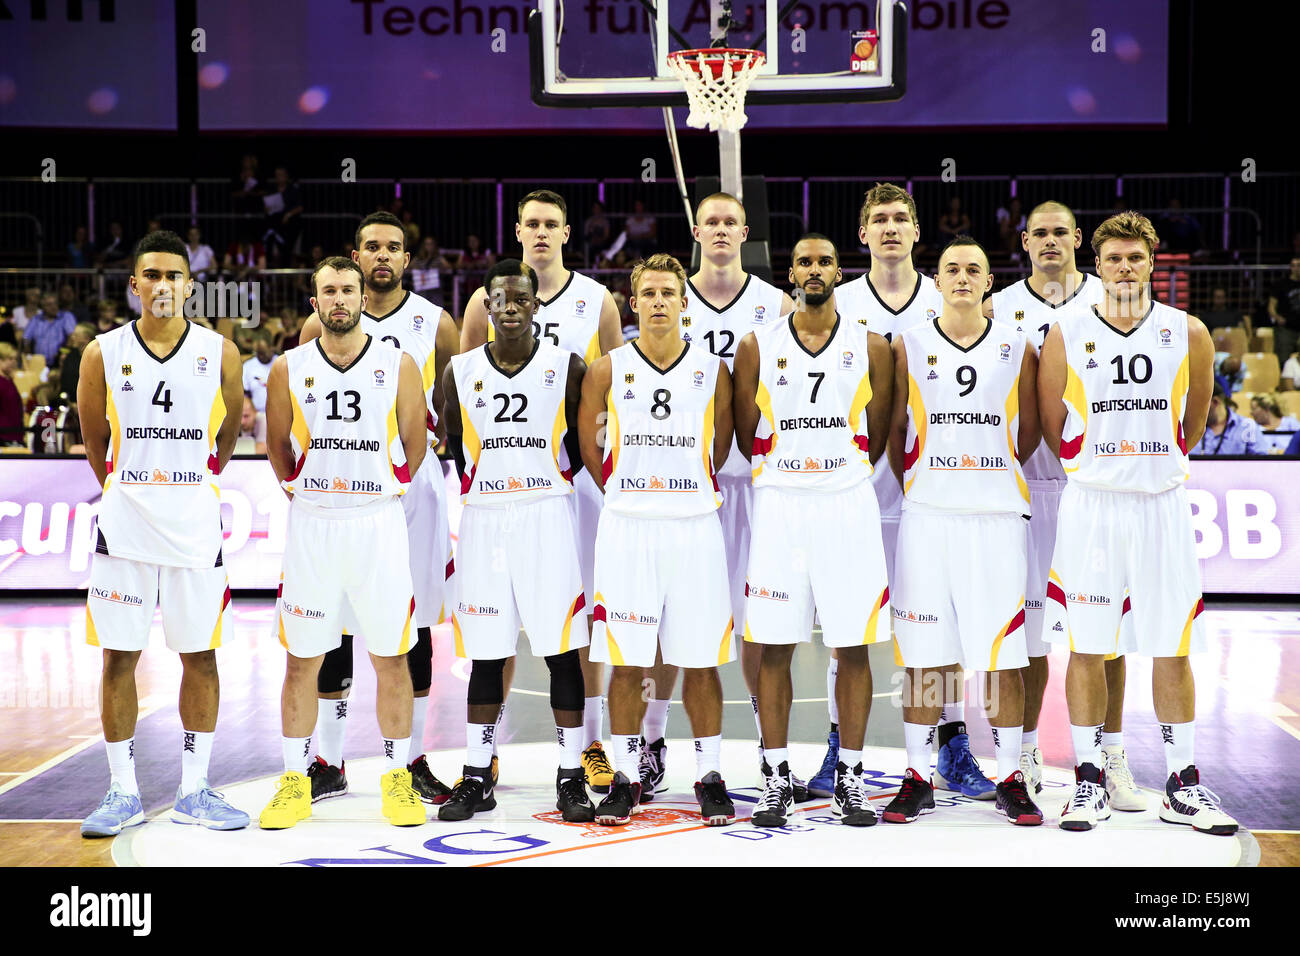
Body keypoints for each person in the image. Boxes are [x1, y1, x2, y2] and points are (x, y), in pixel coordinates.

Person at [1040, 211, 1237, 835]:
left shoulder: (1189, 332)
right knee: (1089, 647)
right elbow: (1052, 427)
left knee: (1172, 644)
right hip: (1093, 505)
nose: (1125, 267)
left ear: (1153, 262)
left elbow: (1196, 425)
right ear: (1096, 264)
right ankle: (1090, 780)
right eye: (1114, 258)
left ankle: (1182, 784)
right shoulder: (1065, 330)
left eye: (1136, 258)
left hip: (1162, 506)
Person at [77, 230, 248, 837]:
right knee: (118, 656)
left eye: (174, 276)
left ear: (190, 286)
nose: (163, 285)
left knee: (199, 655)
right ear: (134, 285)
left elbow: (226, 438)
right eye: (151, 275)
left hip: (194, 528)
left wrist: (188, 480)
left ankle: (194, 789)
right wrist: (130, 483)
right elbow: (95, 443)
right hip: (124, 527)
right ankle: (122, 792)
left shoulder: (220, 351)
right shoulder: (101, 351)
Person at [810, 183, 978, 798]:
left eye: (899, 218)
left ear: (915, 233)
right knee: (845, 632)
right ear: (862, 234)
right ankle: (836, 746)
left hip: (935, 495)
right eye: (877, 219)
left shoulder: (947, 295)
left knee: (940, 631)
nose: (888, 227)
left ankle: (951, 741)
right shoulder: (840, 302)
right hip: (855, 493)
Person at [461, 189, 625, 793]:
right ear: (517, 229)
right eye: (530, 223)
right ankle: (488, 749)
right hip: (505, 487)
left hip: (572, 482)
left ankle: (590, 746)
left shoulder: (597, 300)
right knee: (492, 621)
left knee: (578, 623)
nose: (540, 232)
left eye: (550, 224)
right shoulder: (486, 300)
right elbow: (468, 400)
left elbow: (611, 387)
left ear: (566, 232)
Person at [297, 212, 461, 805]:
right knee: (337, 622)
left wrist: (447, 455)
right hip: (341, 494)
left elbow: (460, 397)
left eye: (393, 247)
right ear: (355, 255)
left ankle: (413, 758)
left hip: (412, 491)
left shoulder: (435, 323)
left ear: (407, 258)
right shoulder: (317, 323)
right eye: (371, 247)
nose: (382, 256)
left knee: (413, 627)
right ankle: (329, 760)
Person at [260, 256, 429, 829]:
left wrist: (384, 489)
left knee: (390, 657)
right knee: (302, 660)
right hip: (314, 525)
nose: (339, 298)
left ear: (363, 297)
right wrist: (305, 492)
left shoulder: (397, 363)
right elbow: (277, 445)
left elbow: (415, 443)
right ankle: (293, 780)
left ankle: (397, 779)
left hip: (376, 524)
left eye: (347, 289)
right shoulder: (288, 366)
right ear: (315, 302)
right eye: (328, 290)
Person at [984, 201, 1142, 809]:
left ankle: (1110, 754)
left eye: (1060, 232)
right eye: (1039, 233)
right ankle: (1022, 754)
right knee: (1021, 639)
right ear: (1024, 242)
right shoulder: (999, 309)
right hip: (1023, 491)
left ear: (1079, 238)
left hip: (1093, 492)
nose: (1050, 241)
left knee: (1107, 636)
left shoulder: (1114, 297)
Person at [732, 235, 892, 827]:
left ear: (838, 271)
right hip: (780, 505)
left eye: (825, 261)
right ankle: (775, 775)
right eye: (804, 262)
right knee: (774, 646)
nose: (815, 269)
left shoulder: (870, 345)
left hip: (847, 505)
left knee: (852, 645)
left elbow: (878, 436)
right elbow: (748, 434)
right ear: (791, 274)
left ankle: (848, 775)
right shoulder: (757, 345)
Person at [883, 236, 1043, 826]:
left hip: (997, 517)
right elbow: (896, 425)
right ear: (938, 278)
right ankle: (918, 775)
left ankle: (1009, 775)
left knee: (1001, 656)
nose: (962, 277)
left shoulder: (1016, 343)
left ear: (987, 280)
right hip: (929, 518)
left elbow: (1028, 432)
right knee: (927, 657)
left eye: (973, 268)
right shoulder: (912, 342)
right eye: (951, 268)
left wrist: (991, 469)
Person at [643, 193, 797, 800]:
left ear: (745, 232)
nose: (721, 231)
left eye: (731, 222)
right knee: (667, 621)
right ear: (697, 231)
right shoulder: (671, 304)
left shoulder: (773, 304)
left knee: (763, 623)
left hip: (758, 484)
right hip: (688, 490)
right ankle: (652, 744)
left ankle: (770, 753)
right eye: (711, 222)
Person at [578, 253, 736, 826]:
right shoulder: (606, 369)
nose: (660, 301)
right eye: (650, 293)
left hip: (694, 525)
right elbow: (590, 449)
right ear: (633, 302)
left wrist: (684, 486)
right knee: (626, 660)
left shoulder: (714, 369)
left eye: (670, 292)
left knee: (701, 661)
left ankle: (709, 775)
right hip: (628, 526)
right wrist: (628, 489)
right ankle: (623, 777)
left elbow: (720, 447)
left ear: (684, 302)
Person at [438, 259, 592, 822]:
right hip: (484, 519)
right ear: (485, 302)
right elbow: (453, 444)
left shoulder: (567, 367)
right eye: (499, 297)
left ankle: (571, 775)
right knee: (486, 652)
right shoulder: (456, 370)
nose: (509, 306)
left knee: (560, 652)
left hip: (547, 515)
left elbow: (581, 444)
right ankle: (478, 774)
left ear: (535, 304)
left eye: (520, 298)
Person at [1189, 383, 1259, 455]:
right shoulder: (1190, 427)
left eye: (1198, 403)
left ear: (1215, 401)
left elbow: (1263, 462)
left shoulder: (1247, 426)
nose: (1194, 408)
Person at [26, 292, 77, 365]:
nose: (53, 307)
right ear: (42, 307)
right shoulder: (36, 320)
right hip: (39, 363)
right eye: (49, 305)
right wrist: (28, 356)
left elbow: (72, 336)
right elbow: (26, 338)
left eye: (55, 303)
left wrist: (63, 353)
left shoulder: (66, 317)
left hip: (60, 362)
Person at [1267, 257, 1300, 363]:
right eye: (1293, 265)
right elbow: (1271, 306)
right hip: (1286, 329)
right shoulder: (1281, 284)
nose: (1296, 268)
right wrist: (1277, 318)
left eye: (1298, 265)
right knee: (1283, 360)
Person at [409, 235, 450, 307]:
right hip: (421, 290)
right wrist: (416, 269)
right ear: (423, 245)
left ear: (434, 245)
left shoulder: (438, 257)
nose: (429, 246)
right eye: (427, 244)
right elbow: (408, 267)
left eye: (431, 244)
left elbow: (449, 267)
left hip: (435, 291)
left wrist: (440, 270)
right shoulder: (418, 258)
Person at [241, 331, 275, 413]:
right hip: (256, 414)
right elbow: (244, 394)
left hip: (277, 413)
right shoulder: (248, 366)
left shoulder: (280, 363)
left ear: (271, 348)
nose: (260, 356)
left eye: (263, 353)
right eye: (258, 353)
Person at [0, 342, 24, 445]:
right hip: (3, 438)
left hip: (15, 436)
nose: (14, 362)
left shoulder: (9, 381)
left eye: (15, 359)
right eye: (10, 359)